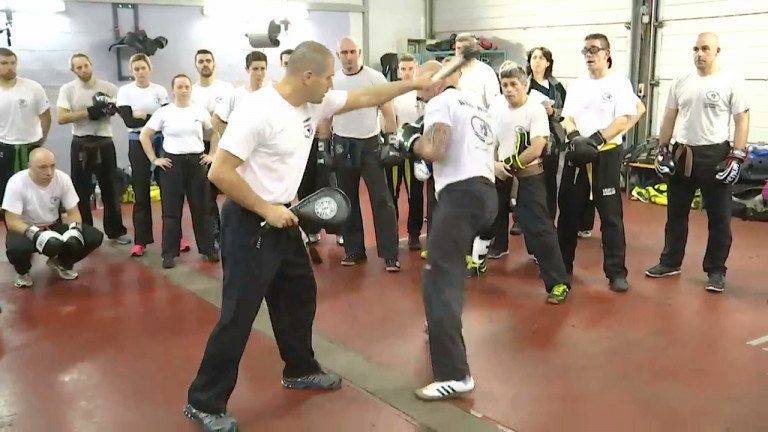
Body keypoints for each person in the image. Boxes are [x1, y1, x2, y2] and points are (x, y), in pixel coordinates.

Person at [183, 40, 439, 431]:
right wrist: (265, 208)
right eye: (327, 77)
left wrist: (413, 83)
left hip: (285, 218)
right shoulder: (258, 111)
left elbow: (366, 95)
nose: (331, 84)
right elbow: (219, 172)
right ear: (307, 76)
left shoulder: (313, 101)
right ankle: (204, 401)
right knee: (239, 314)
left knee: (299, 295)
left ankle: (299, 369)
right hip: (251, 219)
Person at [402, 59, 497, 401]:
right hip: (486, 195)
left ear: (440, 79)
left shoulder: (440, 102)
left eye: (421, 77)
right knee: (449, 270)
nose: (417, 84)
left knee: (439, 277)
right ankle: (439, 320)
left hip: (461, 195)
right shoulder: (475, 104)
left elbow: (435, 149)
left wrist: (410, 143)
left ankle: (455, 375)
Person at [645, 32, 749, 293]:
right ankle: (670, 262)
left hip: (715, 155)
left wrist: (737, 154)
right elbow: (669, 115)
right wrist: (663, 148)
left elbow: (742, 119)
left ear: (716, 52)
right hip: (684, 155)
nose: (699, 54)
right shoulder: (681, 80)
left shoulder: (731, 81)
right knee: (676, 214)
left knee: (720, 218)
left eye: (705, 49)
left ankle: (716, 270)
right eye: (695, 49)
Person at [558, 34, 645, 292]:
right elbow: (567, 119)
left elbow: (624, 119)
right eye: (585, 50)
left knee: (611, 217)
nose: (589, 54)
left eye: (594, 49)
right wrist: (576, 138)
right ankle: (562, 267)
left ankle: (616, 272)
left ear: (607, 53)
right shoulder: (577, 85)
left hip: (605, 153)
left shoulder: (618, 83)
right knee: (568, 213)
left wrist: (596, 139)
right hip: (578, 153)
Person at [483, 63, 572, 304]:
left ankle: (558, 283)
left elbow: (537, 147)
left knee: (540, 230)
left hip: (527, 178)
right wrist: (493, 164)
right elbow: (489, 139)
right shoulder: (497, 105)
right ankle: (477, 260)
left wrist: (508, 165)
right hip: (499, 173)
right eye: (505, 85)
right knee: (481, 217)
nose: (509, 90)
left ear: (525, 85)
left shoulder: (535, 109)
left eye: (514, 85)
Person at [328, 36, 400, 271]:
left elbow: (388, 113)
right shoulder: (332, 80)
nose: (348, 57)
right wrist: (321, 146)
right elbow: (324, 115)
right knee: (347, 200)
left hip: (370, 144)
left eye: (352, 52)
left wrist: (390, 141)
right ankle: (354, 250)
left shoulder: (374, 78)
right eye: (344, 53)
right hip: (342, 144)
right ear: (338, 55)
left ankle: (390, 254)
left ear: (359, 52)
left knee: (381, 199)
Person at [140, 74, 219, 269]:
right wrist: (154, 159)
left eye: (186, 86)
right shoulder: (164, 112)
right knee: (171, 211)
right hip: (172, 164)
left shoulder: (199, 111)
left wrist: (213, 154)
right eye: (180, 87)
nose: (184, 90)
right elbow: (145, 135)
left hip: (196, 162)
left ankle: (208, 249)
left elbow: (214, 133)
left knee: (201, 209)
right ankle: (169, 253)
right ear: (173, 90)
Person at [116, 53, 191, 257]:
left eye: (143, 67)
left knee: (170, 192)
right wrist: (148, 118)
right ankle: (141, 241)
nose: (140, 72)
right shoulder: (125, 92)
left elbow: (167, 118)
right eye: (136, 68)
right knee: (141, 192)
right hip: (137, 142)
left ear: (150, 68)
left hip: (161, 142)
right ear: (132, 71)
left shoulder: (159, 91)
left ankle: (175, 237)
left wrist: (144, 116)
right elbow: (130, 122)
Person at [56, 53, 131, 245]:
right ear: (73, 70)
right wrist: (88, 112)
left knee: (110, 188)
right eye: (79, 67)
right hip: (81, 142)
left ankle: (115, 231)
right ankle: (85, 231)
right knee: (81, 190)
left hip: (104, 141)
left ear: (91, 64)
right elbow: (62, 118)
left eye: (86, 65)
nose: (83, 70)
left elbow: (121, 110)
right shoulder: (68, 90)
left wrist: (113, 109)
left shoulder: (108, 87)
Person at [2, 148, 104, 287]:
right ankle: (22, 272)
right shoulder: (17, 182)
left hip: (53, 224)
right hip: (25, 227)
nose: (49, 172)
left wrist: (74, 230)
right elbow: (12, 221)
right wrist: (36, 234)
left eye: (52, 166)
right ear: (30, 167)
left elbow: (74, 213)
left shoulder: (62, 179)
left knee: (92, 237)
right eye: (42, 167)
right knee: (17, 249)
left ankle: (61, 262)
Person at [191, 49, 235, 250]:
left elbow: (226, 121)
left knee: (233, 194)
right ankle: (215, 237)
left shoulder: (227, 89)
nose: (205, 64)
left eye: (208, 60)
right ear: (196, 65)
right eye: (201, 61)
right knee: (207, 198)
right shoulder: (191, 91)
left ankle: (234, 233)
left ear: (214, 63)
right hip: (201, 148)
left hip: (228, 146)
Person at [0, 48, 51, 212]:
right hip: (4, 147)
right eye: (4, 63)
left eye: (13, 63)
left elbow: (46, 116)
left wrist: (40, 140)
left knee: (35, 192)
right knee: (6, 195)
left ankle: (39, 231)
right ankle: (13, 232)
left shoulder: (32, 87)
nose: (10, 67)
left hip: (31, 146)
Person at [386, 53, 425, 250]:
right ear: (398, 71)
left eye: (410, 69)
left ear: (416, 68)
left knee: (415, 194)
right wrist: (390, 141)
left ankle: (414, 234)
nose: (407, 73)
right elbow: (387, 118)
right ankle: (391, 232)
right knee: (392, 193)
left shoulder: (422, 90)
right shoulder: (393, 91)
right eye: (404, 69)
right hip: (396, 146)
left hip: (415, 148)